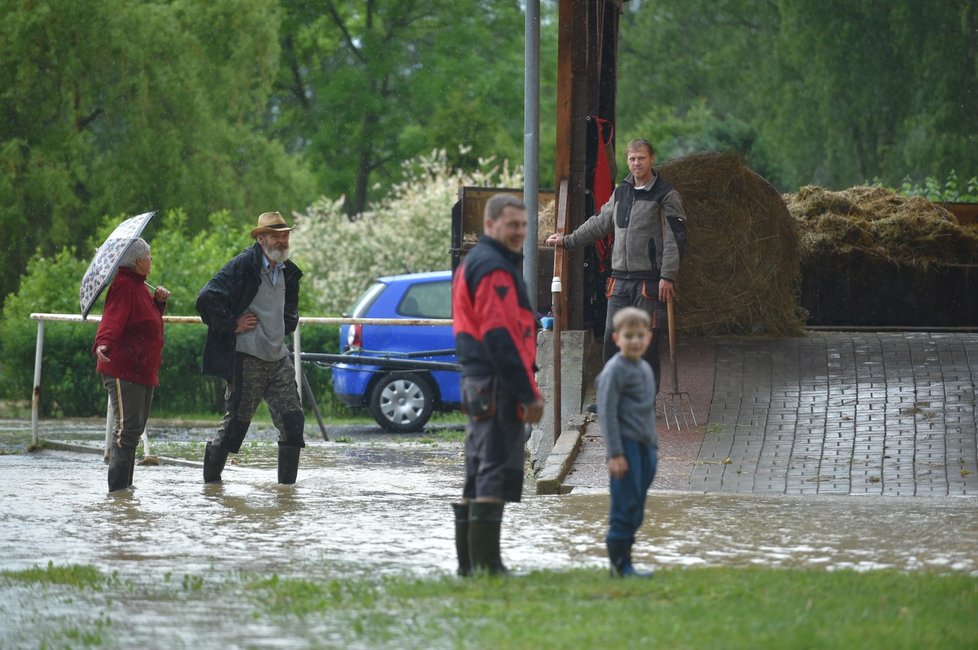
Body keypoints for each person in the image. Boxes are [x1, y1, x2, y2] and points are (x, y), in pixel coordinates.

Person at [546, 138, 687, 410]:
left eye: (641, 158)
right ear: (627, 161)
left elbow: (676, 239)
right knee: (613, 337)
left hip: (649, 280)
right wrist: (568, 239)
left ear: (652, 159)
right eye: (632, 158)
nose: (636, 163)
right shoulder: (621, 192)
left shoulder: (666, 195)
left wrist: (668, 276)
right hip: (619, 280)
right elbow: (600, 223)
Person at [451, 193, 545, 576]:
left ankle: (470, 565)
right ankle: (487, 566)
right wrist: (527, 392)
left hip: (478, 380)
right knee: (493, 468)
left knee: (478, 467)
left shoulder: (478, 263)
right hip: (496, 381)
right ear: (489, 226)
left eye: (524, 225)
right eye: (512, 225)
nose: (520, 232)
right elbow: (500, 335)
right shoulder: (493, 269)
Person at [196, 211, 305, 485]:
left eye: (285, 235)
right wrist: (232, 323)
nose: (282, 241)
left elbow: (290, 309)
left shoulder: (289, 271)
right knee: (236, 426)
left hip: (278, 357)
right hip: (247, 357)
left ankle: (286, 492)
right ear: (261, 239)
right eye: (276, 236)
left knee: (293, 423)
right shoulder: (244, 264)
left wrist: (286, 325)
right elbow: (206, 298)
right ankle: (211, 488)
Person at [93, 238, 170, 492]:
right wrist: (103, 343)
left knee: (134, 431)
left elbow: (146, 324)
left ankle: (125, 493)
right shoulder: (124, 286)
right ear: (138, 261)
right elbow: (112, 320)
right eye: (149, 256)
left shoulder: (139, 286)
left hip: (142, 370)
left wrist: (158, 303)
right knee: (126, 432)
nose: (152, 260)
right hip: (123, 369)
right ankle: (117, 494)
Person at [596, 306, 658, 577]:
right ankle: (619, 565)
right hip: (625, 446)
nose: (634, 341)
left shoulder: (644, 368)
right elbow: (607, 413)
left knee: (637, 507)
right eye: (628, 335)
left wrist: (653, 447)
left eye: (640, 335)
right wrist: (615, 453)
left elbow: (646, 410)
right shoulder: (614, 371)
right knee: (624, 504)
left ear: (649, 338)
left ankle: (627, 561)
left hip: (646, 446)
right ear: (616, 338)